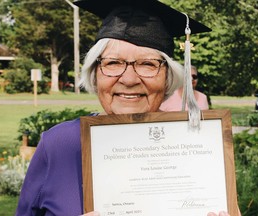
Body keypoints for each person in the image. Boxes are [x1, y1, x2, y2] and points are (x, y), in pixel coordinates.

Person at [16, 0, 239, 215]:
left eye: (148, 64)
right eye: (113, 63)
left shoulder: (199, 146)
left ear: (168, 77)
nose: (129, 79)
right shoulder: (59, 145)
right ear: (94, 74)